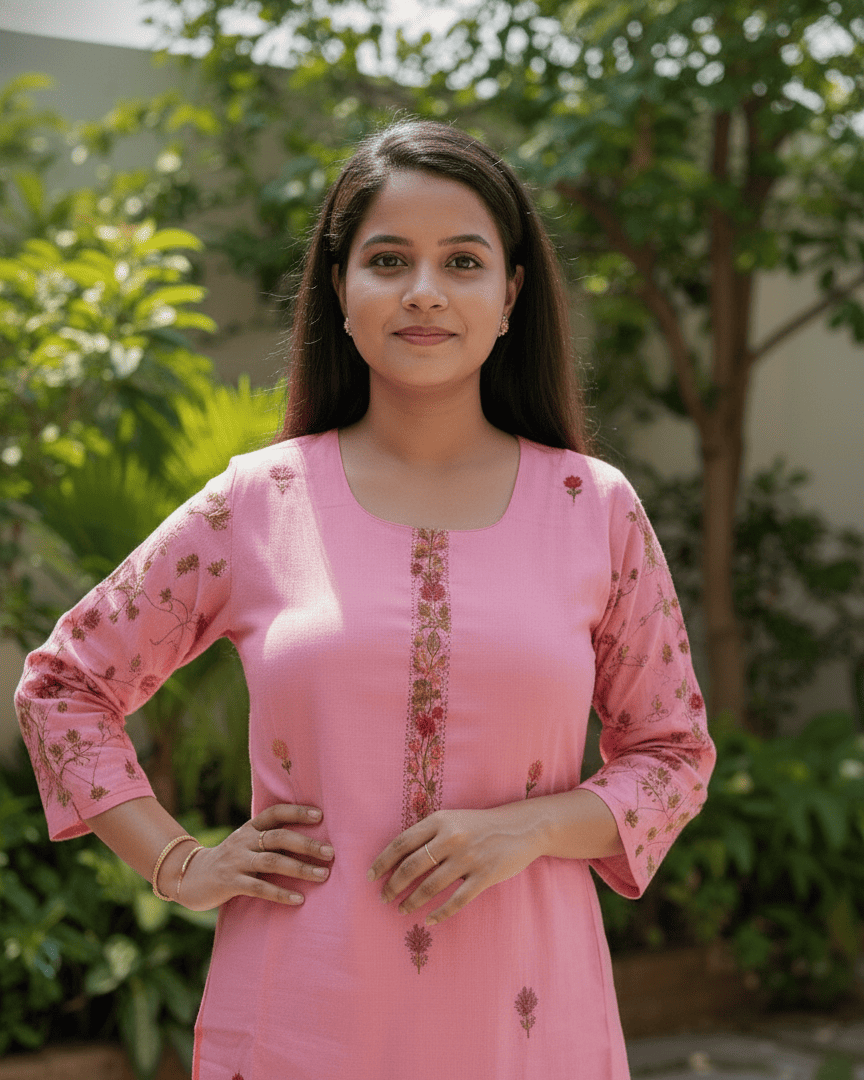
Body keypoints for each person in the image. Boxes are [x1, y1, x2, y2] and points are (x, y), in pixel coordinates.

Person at [15, 120, 715, 1079]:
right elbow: (64, 684)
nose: (423, 291)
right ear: (341, 290)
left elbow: (673, 756)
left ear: (511, 294)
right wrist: (179, 864)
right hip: (300, 1018)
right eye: (389, 260)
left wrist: (529, 827)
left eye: (462, 261)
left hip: (528, 1024)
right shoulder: (258, 505)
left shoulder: (594, 510)